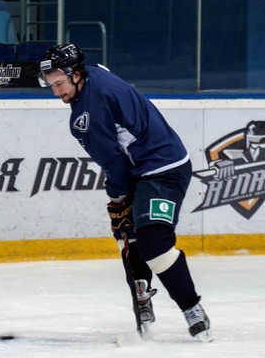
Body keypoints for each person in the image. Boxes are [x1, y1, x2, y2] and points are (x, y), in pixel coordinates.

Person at [38, 43, 211, 341]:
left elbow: (114, 163)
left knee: (153, 241)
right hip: (147, 166)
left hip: (163, 171)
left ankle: (192, 308)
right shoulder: (96, 73)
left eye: (59, 83)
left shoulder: (86, 117)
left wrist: (117, 200)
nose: (56, 91)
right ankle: (142, 295)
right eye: (51, 85)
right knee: (129, 233)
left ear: (76, 75)